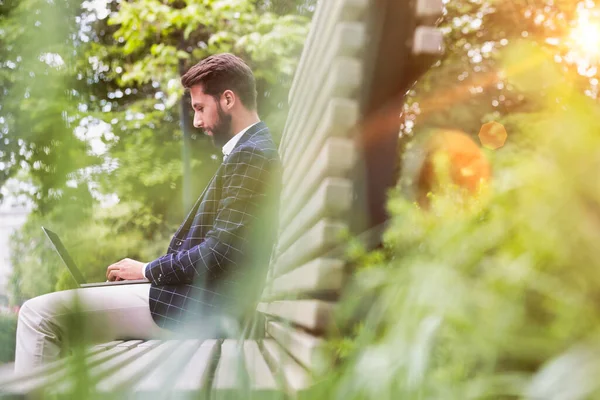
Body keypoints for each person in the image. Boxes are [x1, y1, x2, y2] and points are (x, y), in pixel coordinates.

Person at [14, 53, 281, 372]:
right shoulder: (251, 150)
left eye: (199, 108)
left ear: (228, 99)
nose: (196, 121)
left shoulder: (250, 155)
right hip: (201, 302)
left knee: (36, 316)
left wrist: (147, 271)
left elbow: (220, 253)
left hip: (201, 310)